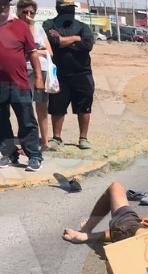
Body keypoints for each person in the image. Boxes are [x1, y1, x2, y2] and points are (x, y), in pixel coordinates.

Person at [43, 0, 93, 151]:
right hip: (58, 75)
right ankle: (57, 138)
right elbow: (53, 42)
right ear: (58, 9)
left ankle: (83, 138)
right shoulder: (49, 24)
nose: (70, 11)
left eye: (72, 8)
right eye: (66, 8)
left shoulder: (83, 27)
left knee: (84, 107)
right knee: (57, 107)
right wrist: (76, 39)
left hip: (82, 74)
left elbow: (87, 45)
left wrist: (65, 40)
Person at [0, 0, 43, 171]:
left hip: (19, 83)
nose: (1, 8)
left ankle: (34, 156)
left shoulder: (20, 26)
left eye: (3, 5)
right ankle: (9, 154)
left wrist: (39, 77)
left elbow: (33, 54)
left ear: (7, 6)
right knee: (2, 121)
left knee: (27, 121)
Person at [62, 181, 148, 244]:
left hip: (135, 234)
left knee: (115, 187)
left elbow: (126, 231)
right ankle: (86, 235)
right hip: (140, 237)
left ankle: (86, 230)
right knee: (127, 229)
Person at [17, 0, 51, 150]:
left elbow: (49, 51)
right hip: (22, 70)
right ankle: (28, 142)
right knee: (25, 107)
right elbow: (26, 46)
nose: (28, 15)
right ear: (18, 12)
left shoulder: (38, 27)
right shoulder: (14, 27)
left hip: (40, 69)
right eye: (25, 12)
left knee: (42, 106)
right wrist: (35, 50)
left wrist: (35, 52)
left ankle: (45, 142)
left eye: (32, 12)